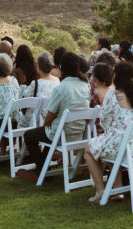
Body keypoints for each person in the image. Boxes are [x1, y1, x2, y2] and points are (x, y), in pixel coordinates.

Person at [84, 61, 133, 203]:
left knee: (89, 147)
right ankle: (118, 190)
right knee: (109, 144)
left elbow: (104, 121)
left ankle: (101, 191)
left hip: (123, 147)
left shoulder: (113, 95)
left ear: (115, 76)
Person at [21, 52, 91, 180]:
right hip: (78, 132)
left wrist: (46, 125)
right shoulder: (85, 86)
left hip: (61, 133)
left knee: (29, 135)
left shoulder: (61, 88)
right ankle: (42, 168)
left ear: (62, 68)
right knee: (48, 134)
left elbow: (49, 117)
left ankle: (42, 169)